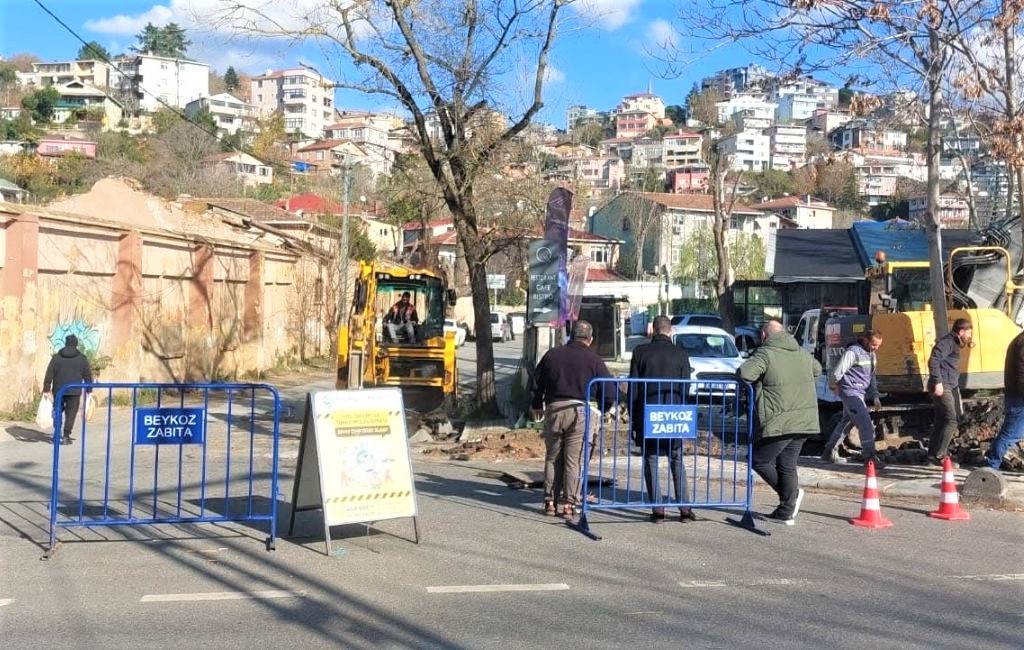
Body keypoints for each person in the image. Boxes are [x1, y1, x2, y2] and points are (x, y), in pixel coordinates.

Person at [738, 320, 821, 526]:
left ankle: (791, 497)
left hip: (780, 419)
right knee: (787, 465)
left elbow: (745, 373)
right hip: (804, 419)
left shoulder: (765, 353)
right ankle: (785, 509)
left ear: (764, 336)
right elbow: (817, 370)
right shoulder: (801, 352)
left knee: (758, 460)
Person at [530, 320, 613, 520]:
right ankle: (569, 504)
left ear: (570, 335)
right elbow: (609, 390)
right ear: (590, 339)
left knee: (552, 458)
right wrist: (605, 409)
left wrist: (536, 405)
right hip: (579, 412)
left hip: (554, 409)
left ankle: (550, 502)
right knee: (573, 461)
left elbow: (536, 382)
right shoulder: (594, 360)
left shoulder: (552, 355)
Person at [629, 315, 696, 523]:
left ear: (653, 330)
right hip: (674, 415)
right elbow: (686, 387)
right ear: (670, 331)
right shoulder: (681, 353)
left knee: (651, 459)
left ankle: (658, 509)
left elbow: (634, 387)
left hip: (649, 414)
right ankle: (685, 508)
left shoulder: (640, 352)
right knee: (676, 459)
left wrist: (634, 417)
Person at [822, 330, 885, 469]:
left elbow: (871, 377)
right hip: (850, 393)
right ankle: (870, 457)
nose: (876, 348)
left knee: (846, 422)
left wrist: (875, 396)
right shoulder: (852, 352)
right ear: (866, 340)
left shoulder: (872, 355)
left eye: (878, 345)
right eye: (874, 344)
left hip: (859, 393)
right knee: (866, 424)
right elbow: (838, 371)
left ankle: (828, 451)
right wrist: (834, 387)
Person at [926, 318, 973, 466]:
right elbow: (933, 360)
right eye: (969, 332)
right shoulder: (947, 342)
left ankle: (932, 456)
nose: (970, 335)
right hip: (942, 385)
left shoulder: (954, 343)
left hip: (948, 384)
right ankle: (940, 456)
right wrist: (937, 382)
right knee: (951, 421)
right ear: (961, 332)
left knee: (941, 421)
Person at [42, 334, 94, 445]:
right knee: (71, 413)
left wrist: (46, 388)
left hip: (59, 390)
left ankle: (57, 433)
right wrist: (89, 389)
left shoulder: (56, 358)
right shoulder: (82, 359)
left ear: (65, 343)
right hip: (74, 391)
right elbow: (87, 375)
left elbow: (49, 373)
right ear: (76, 344)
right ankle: (66, 436)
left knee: (57, 411)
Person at [985, 330, 1024, 471]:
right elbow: (1021, 375)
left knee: (1012, 434)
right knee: (1010, 434)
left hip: (1017, 395)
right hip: (1019, 398)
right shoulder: (1022, 343)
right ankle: (990, 467)